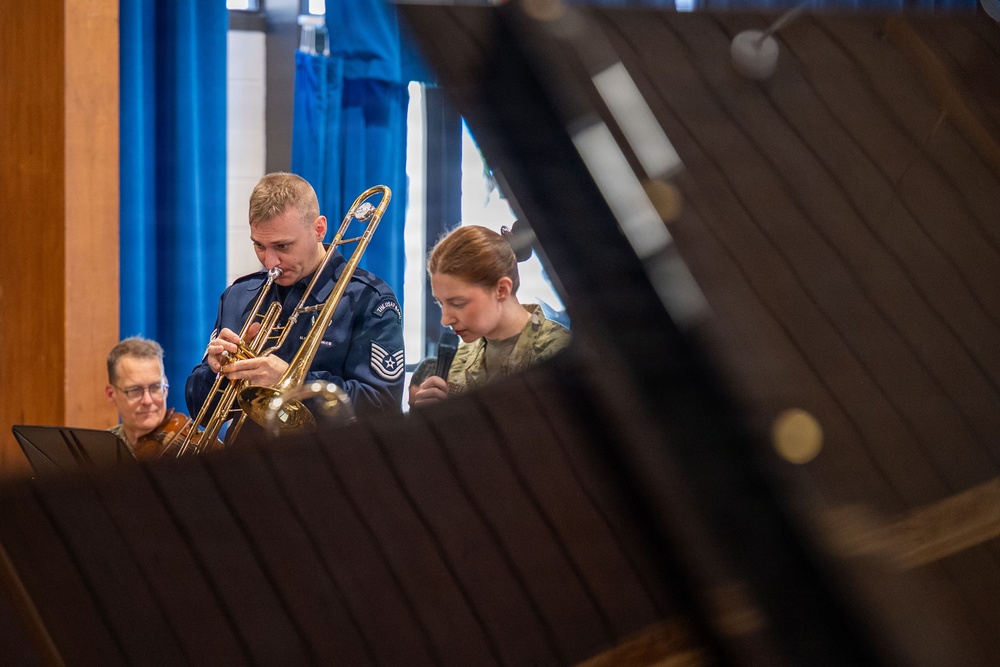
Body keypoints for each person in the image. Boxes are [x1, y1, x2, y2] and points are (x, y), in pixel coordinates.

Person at [185, 172, 405, 438]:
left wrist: (295, 382)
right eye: (259, 246)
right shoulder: (239, 296)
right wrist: (215, 370)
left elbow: (382, 409)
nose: (270, 262)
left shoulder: (368, 299)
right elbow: (201, 412)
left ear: (319, 229)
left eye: (283, 246)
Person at [410, 225, 571, 407]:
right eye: (441, 303)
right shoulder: (459, 359)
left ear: (501, 290)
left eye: (458, 304)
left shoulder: (558, 353)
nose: (445, 320)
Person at [106, 336, 170, 450]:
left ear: (165, 388)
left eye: (155, 387)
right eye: (135, 390)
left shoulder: (193, 449)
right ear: (111, 394)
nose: (148, 400)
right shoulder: (99, 449)